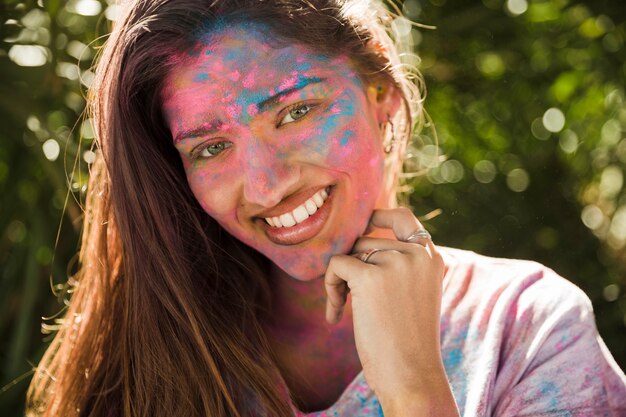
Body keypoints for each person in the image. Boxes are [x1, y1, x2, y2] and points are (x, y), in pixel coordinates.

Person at [27, 0, 626, 416]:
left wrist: (416, 394)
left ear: (380, 93)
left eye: (294, 112)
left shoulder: (526, 329)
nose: (265, 189)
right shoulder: (151, 353)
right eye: (211, 147)